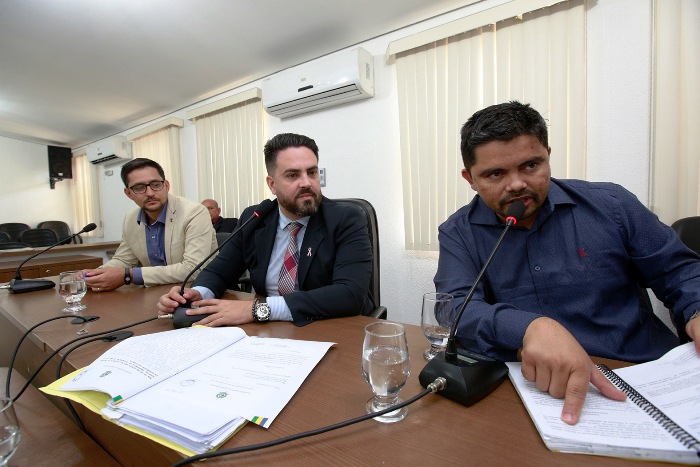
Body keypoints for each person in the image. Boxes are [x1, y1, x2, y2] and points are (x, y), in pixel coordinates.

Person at [434, 101, 700, 425]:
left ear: (547, 155)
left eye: (530, 165)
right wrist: (528, 327)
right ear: (470, 178)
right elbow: (454, 307)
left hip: (639, 374)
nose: (516, 184)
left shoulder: (612, 204)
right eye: (495, 174)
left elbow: (679, 270)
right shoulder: (458, 232)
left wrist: (697, 310)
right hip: (538, 389)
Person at [157, 133, 374, 326]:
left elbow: (350, 295)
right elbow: (218, 272)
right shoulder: (255, 218)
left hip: (330, 326)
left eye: (312, 172)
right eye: (293, 175)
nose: (306, 182)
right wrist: (196, 294)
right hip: (269, 331)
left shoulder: (346, 219)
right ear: (272, 184)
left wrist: (258, 309)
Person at [84, 158, 217, 291]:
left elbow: (193, 268)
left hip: (195, 290)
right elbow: (123, 260)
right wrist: (92, 275)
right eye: (139, 188)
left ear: (166, 186)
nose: (150, 193)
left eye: (156, 185)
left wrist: (129, 275)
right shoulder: (130, 219)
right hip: (155, 291)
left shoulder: (194, 212)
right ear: (128, 193)